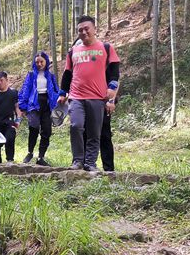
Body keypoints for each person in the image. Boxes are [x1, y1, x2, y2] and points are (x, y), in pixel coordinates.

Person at [58, 16, 120, 172]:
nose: (84, 32)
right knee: (76, 126)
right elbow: (67, 74)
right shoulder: (73, 51)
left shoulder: (106, 48)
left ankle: (90, 163)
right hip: (76, 97)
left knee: (94, 132)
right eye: (80, 30)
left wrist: (112, 89)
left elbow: (114, 71)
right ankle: (77, 160)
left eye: (87, 28)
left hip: (98, 97)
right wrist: (62, 92)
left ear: (94, 29)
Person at [19, 52, 59, 166]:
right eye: (37, 62)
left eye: (41, 61)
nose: (39, 64)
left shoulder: (50, 76)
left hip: (47, 104)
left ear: (46, 61)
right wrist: (23, 106)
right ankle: (30, 152)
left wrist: (59, 99)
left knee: (46, 131)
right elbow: (25, 90)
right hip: (34, 104)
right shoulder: (31, 75)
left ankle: (41, 157)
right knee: (34, 128)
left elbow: (56, 90)